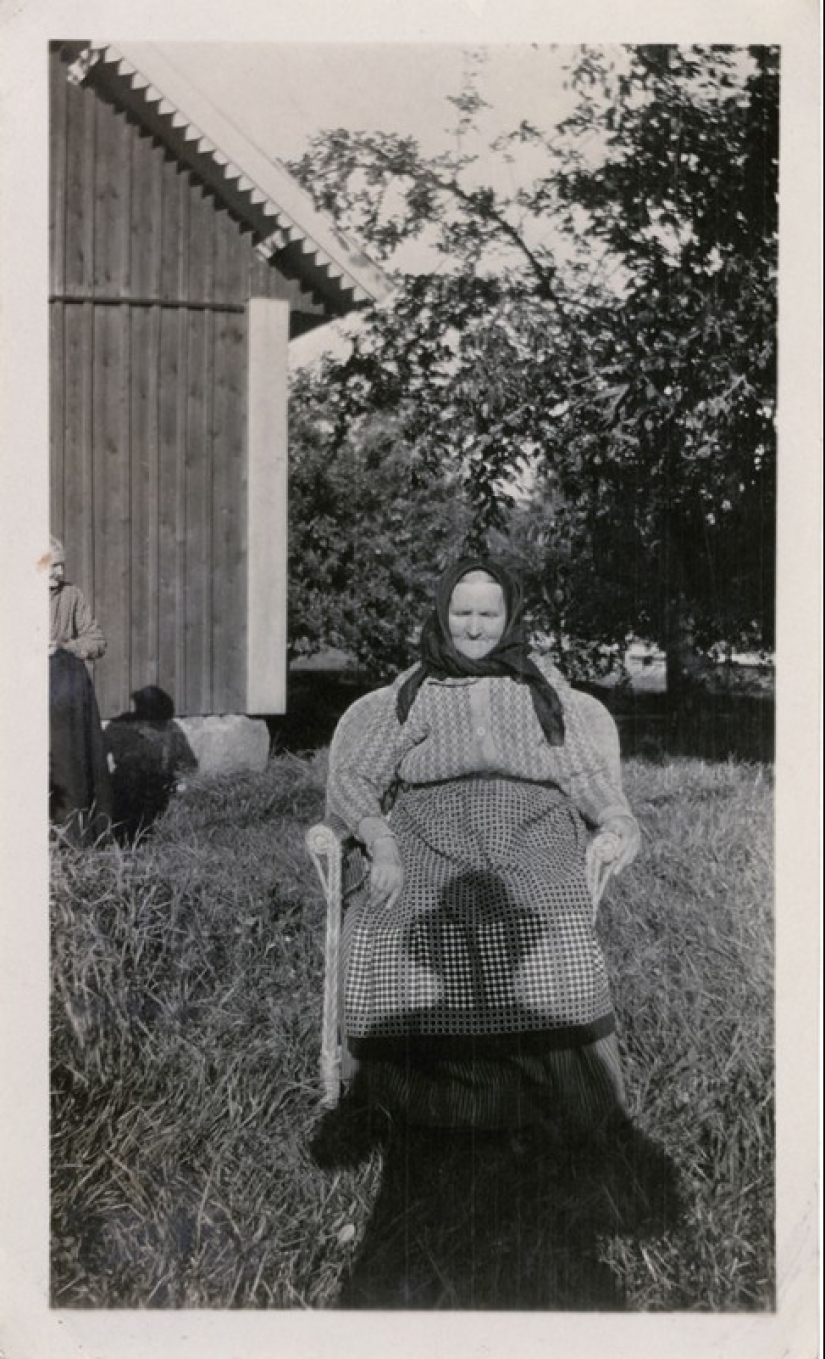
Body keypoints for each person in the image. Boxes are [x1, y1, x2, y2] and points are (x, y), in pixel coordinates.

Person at [325, 556, 641, 1137]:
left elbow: (581, 772)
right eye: (462, 612)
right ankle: (406, 1108)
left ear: (509, 615)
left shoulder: (539, 686)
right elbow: (355, 777)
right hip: (430, 828)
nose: (474, 627)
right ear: (444, 614)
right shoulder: (415, 687)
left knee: (551, 931)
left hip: (532, 828)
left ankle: (562, 1106)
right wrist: (381, 843)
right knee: (388, 926)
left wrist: (617, 818)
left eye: (487, 614)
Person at [49, 536, 113, 843]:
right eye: (50, 566)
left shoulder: (71, 595)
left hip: (65, 694)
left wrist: (65, 646)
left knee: (69, 766)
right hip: (24, 692)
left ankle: (73, 838)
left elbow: (97, 641)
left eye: (61, 565)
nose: (58, 572)